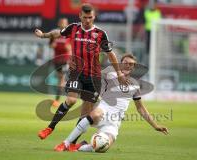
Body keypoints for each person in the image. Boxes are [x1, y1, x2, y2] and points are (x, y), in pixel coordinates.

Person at [34, 3, 128, 145]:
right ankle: (50, 128)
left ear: (94, 16)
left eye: (90, 17)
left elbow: (111, 55)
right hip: (76, 73)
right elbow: (57, 33)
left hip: (94, 77)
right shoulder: (73, 28)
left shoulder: (101, 34)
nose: (88, 20)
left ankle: (72, 143)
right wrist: (43, 36)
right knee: (71, 100)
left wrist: (119, 73)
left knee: (85, 112)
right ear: (80, 16)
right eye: (85, 17)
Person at [54, 54, 169, 152]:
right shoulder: (110, 75)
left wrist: (155, 126)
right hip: (103, 110)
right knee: (95, 113)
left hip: (114, 121)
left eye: (131, 64)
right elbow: (92, 74)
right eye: (125, 63)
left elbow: (141, 109)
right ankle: (66, 143)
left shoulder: (135, 85)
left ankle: (80, 146)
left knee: (102, 146)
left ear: (134, 67)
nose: (128, 65)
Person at [50, 18, 72, 101]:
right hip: (57, 59)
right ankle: (67, 87)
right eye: (61, 23)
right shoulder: (55, 34)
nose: (62, 24)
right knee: (60, 78)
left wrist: (68, 48)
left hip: (65, 59)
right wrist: (54, 44)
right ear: (59, 24)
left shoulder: (69, 34)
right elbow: (51, 45)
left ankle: (57, 99)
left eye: (64, 23)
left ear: (67, 24)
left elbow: (71, 47)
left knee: (62, 78)